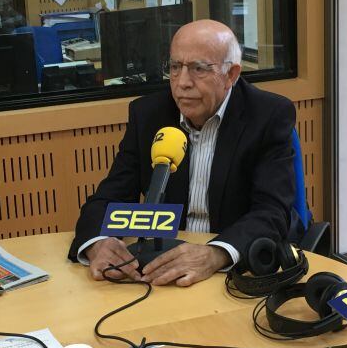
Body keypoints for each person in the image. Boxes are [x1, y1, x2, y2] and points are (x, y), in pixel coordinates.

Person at [68, 20, 300, 286]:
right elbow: (107, 198)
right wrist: (98, 244)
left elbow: (272, 212)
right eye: (175, 67)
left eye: (199, 69)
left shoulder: (268, 115)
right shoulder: (148, 115)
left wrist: (216, 254)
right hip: (163, 267)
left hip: (233, 271)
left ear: (231, 74)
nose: (182, 83)